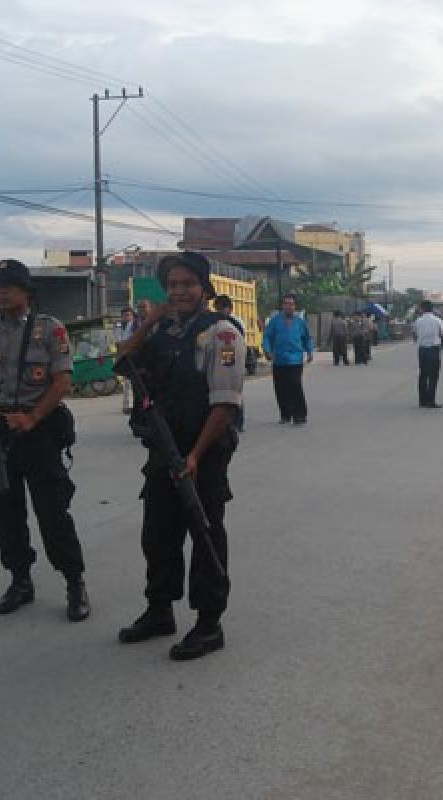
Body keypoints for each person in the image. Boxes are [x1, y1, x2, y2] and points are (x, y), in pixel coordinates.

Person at [115, 251, 244, 661]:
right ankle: (159, 611)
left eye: (187, 284)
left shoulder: (222, 334)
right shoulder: (162, 332)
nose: (179, 291)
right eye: (172, 285)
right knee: (158, 534)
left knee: (204, 535)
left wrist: (194, 455)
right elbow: (121, 360)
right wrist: (150, 319)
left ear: (204, 289)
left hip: (202, 451)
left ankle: (209, 624)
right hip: (163, 449)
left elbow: (224, 406)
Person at [0, 259, 89, 622]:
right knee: (3, 510)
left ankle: (74, 582)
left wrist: (33, 417)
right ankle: (20, 579)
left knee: (52, 512)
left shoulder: (49, 329)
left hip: (38, 430)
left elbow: (62, 382)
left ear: (26, 292)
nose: (1, 292)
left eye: (9, 286)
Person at [262, 293, 314, 425]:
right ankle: (285, 414)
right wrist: (267, 350)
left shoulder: (300, 322)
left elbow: (307, 338)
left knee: (296, 386)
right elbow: (267, 336)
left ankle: (300, 415)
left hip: (295, 360)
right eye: (286, 304)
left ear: (295, 306)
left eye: (291, 304)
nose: (288, 306)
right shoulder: (275, 321)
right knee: (280, 388)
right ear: (282, 306)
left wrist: (309, 351)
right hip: (279, 360)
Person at [213, 294, 247, 432]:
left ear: (230, 309)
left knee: (234, 391)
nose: (221, 311)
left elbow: (239, 344)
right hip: (217, 360)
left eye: (223, 308)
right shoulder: (212, 323)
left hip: (232, 357)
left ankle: (237, 422)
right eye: (218, 308)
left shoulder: (236, 324)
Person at [413, 300, 443, 408]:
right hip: (434, 349)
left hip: (422, 349)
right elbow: (442, 335)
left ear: (422, 309)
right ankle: (431, 400)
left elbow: (415, 334)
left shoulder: (418, 321)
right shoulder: (438, 320)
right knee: (433, 376)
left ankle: (422, 400)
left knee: (423, 375)